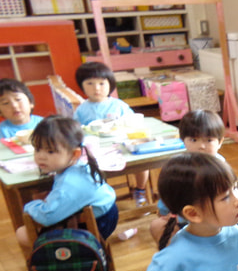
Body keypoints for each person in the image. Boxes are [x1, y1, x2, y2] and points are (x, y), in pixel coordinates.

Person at [137, 152, 238, 271]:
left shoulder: (237, 234)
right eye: (225, 197)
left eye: (235, 188)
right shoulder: (174, 258)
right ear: (193, 213)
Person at [15, 116, 118, 251]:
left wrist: (30, 206)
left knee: (22, 233)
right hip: (106, 215)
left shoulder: (69, 185)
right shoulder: (78, 166)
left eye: (50, 151)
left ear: (74, 154)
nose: (41, 156)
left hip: (94, 225)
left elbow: (47, 217)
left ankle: (60, 263)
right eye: (37, 149)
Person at [74, 62, 149, 207]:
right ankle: (102, 195)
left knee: (143, 163)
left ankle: (140, 189)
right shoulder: (81, 110)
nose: (96, 88)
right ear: (81, 86)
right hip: (97, 151)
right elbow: (76, 131)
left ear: (110, 84)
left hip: (121, 146)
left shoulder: (119, 105)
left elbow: (133, 122)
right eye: (90, 83)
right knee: (89, 168)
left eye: (102, 83)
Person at [149, 110, 226, 244]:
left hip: (215, 221)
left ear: (220, 142)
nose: (201, 146)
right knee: (157, 227)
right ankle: (177, 259)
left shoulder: (222, 167)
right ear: (183, 140)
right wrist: (165, 211)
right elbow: (168, 191)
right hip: (184, 220)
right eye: (194, 140)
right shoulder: (178, 167)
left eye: (209, 140)